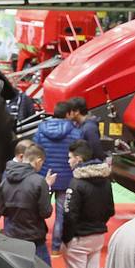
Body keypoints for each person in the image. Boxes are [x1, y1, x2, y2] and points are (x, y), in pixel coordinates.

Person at [1, 144, 58, 268]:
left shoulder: (5, 180)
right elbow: (46, 212)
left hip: (13, 239)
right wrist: (47, 189)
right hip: (35, 241)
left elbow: (2, 211)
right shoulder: (37, 181)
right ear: (38, 161)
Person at [61, 140, 113, 268]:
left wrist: (67, 238)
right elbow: (110, 209)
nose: (68, 161)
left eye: (70, 158)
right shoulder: (105, 180)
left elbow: (69, 214)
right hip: (98, 236)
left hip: (79, 237)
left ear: (78, 159)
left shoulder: (77, 183)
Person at [33, 101, 79, 252]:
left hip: (44, 175)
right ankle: (55, 247)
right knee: (61, 214)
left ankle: (38, 239)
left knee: (38, 210)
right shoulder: (74, 131)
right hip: (66, 178)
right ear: (67, 114)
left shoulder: (41, 129)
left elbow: (35, 150)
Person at [66, 97, 105, 162]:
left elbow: (97, 153)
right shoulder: (79, 125)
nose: (67, 114)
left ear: (77, 112)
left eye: (69, 112)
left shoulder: (89, 129)